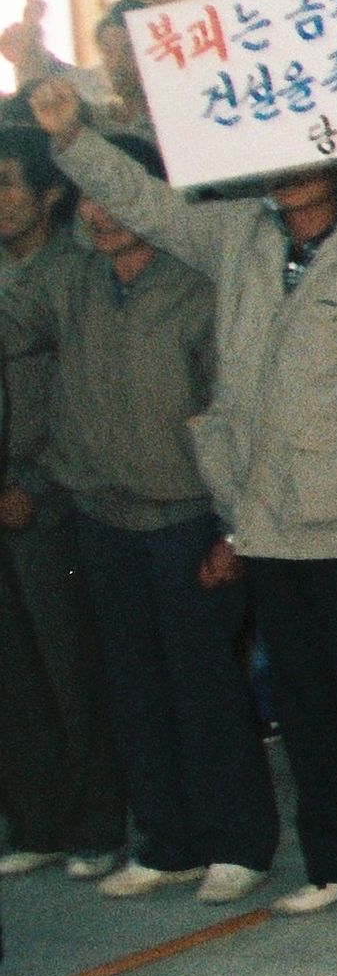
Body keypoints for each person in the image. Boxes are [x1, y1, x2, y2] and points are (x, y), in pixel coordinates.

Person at [35, 77, 337, 919]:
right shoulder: (237, 240)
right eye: (280, 156)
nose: (293, 173)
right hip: (266, 517)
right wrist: (74, 137)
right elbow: (144, 204)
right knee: (300, 700)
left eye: (313, 156)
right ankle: (334, 861)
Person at [0, 132, 257, 900]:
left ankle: (237, 841)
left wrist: (232, 525)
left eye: (116, 194)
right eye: (88, 196)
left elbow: (232, 410)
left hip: (185, 517)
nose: (101, 214)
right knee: (134, 688)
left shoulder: (198, 285)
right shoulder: (72, 280)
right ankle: (167, 838)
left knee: (203, 686)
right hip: (101, 517)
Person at [0, 126, 125, 873]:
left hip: (52, 492)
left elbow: (87, 393)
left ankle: (96, 823)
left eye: (11, 183)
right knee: (12, 671)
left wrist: (36, 486)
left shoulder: (75, 273)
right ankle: (38, 820)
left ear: (51, 193)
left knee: (69, 662)